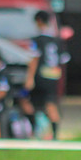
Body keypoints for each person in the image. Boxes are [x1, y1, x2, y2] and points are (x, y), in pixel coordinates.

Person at [21, 9, 65, 139]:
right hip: (53, 76)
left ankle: (35, 130)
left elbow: (34, 59)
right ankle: (55, 135)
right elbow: (62, 60)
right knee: (50, 103)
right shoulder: (58, 40)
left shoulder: (36, 40)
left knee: (25, 99)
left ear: (39, 21)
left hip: (40, 76)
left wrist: (29, 78)